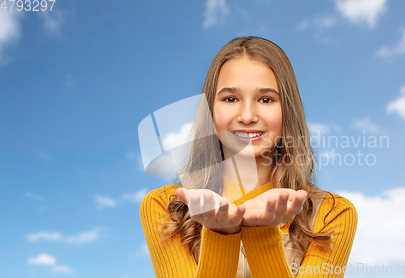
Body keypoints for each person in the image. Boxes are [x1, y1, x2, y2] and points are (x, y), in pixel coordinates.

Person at [140, 36, 357, 278]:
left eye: (266, 99)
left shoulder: (332, 213)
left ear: (288, 110)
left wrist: (260, 232)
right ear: (209, 110)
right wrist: (222, 235)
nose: (247, 116)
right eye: (230, 99)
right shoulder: (166, 206)